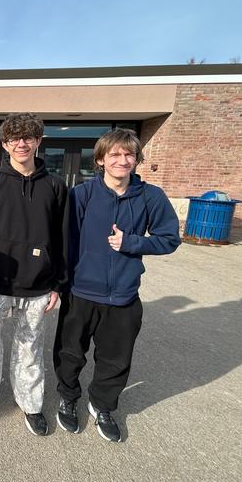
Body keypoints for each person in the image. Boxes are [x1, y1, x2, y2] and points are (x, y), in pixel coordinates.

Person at [53, 128, 180, 442]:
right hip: (81, 293)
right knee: (70, 353)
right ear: (100, 160)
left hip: (123, 295)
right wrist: (60, 285)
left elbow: (169, 239)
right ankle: (68, 398)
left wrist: (132, 243)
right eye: (115, 154)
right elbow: (66, 243)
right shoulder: (82, 195)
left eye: (129, 154)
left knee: (115, 358)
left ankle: (102, 405)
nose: (123, 160)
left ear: (136, 159)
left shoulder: (151, 197)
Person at [0, 113, 68, 435]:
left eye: (28, 137)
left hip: (38, 286)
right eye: (14, 138)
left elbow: (62, 237)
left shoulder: (55, 185)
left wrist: (58, 284)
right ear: (4, 143)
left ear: (38, 141)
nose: (21, 143)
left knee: (30, 347)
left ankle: (31, 403)